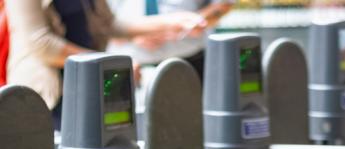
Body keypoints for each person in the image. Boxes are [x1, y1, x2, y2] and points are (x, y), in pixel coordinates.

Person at [5, 0, 207, 126]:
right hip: (50, 94)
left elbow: (109, 24)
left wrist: (169, 22)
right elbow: (42, 44)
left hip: (91, 88)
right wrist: (109, 65)